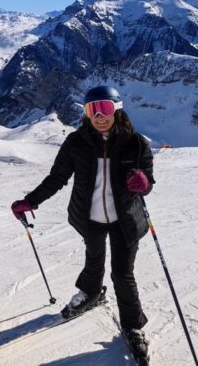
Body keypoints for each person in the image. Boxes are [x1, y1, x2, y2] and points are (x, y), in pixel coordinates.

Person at [11, 85, 154, 361]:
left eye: (105, 108)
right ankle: (89, 292)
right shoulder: (77, 142)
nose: (99, 115)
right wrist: (31, 201)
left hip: (125, 220)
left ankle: (133, 327)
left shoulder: (136, 143)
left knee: (122, 274)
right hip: (90, 218)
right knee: (94, 257)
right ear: (86, 113)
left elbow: (147, 179)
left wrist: (143, 182)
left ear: (117, 109)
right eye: (92, 109)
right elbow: (57, 177)